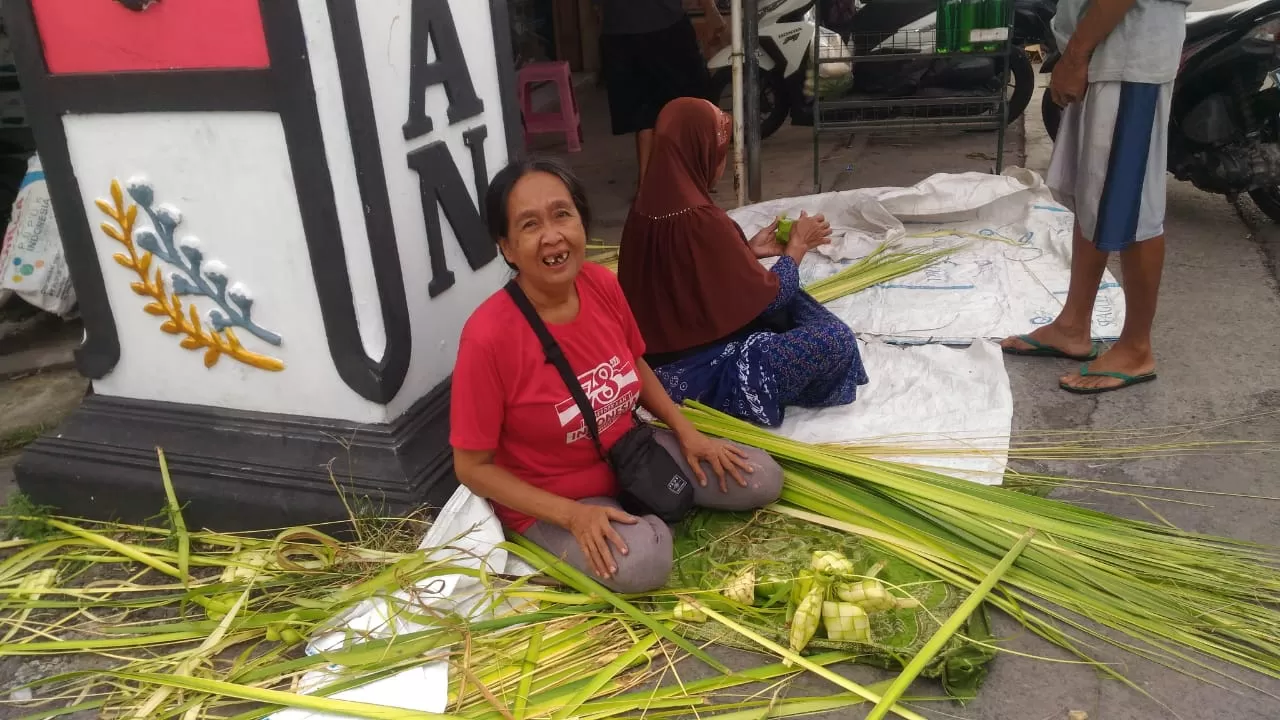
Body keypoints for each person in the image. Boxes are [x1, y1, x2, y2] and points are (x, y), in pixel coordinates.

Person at [450, 157, 783, 594]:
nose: (552, 236)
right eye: (529, 225)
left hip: (629, 453)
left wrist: (688, 434)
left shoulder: (601, 285)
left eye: (562, 214)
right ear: (508, 247)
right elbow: (471, 468)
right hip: (557, 496)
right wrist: (571, 516)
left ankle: (642, 506)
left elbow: (635, 364)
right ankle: (623, 522)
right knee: (643, 564)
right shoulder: (488, 337)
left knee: (761, 478)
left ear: (581, 224)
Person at [617, 98, 868, 428]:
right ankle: (770, 391)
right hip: (698, 369)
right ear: (700, 150)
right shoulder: (700, 218)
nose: (720, 162)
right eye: (720, 149)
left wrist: (744, 253)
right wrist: (796, 248)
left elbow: (681, 278)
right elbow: (772, 299)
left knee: (793, 305)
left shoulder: (642, 209)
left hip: (655, 358)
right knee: (834, 339)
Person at [1000, 0, 1189, 393]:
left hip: (1127, 56)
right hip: (1108, 54)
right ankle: (1073, 325)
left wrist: (1074, 56)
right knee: (1095, 196)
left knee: (1133, 207)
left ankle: (1136, 347)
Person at [594, 0, 719, 185]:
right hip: (663, 25)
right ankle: (692, 181)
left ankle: (646, 186)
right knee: (691, 102)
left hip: (617, 31)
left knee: (643, 114)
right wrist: (711, 11)